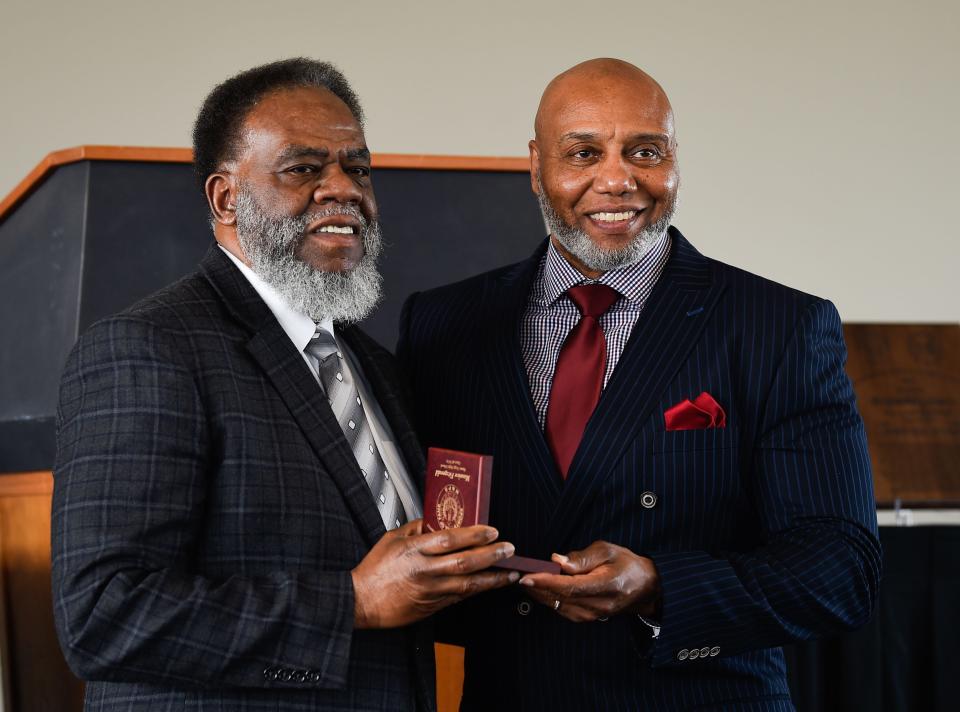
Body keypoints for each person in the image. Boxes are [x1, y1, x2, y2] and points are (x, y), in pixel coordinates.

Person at [397, 58, 882, 711]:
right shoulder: (443, 325)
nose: (618, 178)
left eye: (645, 151)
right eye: (584, 152)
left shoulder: (781, 326)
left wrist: (660, 586)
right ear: (536, 165)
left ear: (676, 161)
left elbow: (842, 570)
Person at [51, 58, 518, 712]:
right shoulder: (147, 348)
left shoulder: (375, 367)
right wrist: (352, 602)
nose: (343, 189)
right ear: (225, 197)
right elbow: (104, 615)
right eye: (303, 168)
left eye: (357, 167)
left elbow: (405, 594)